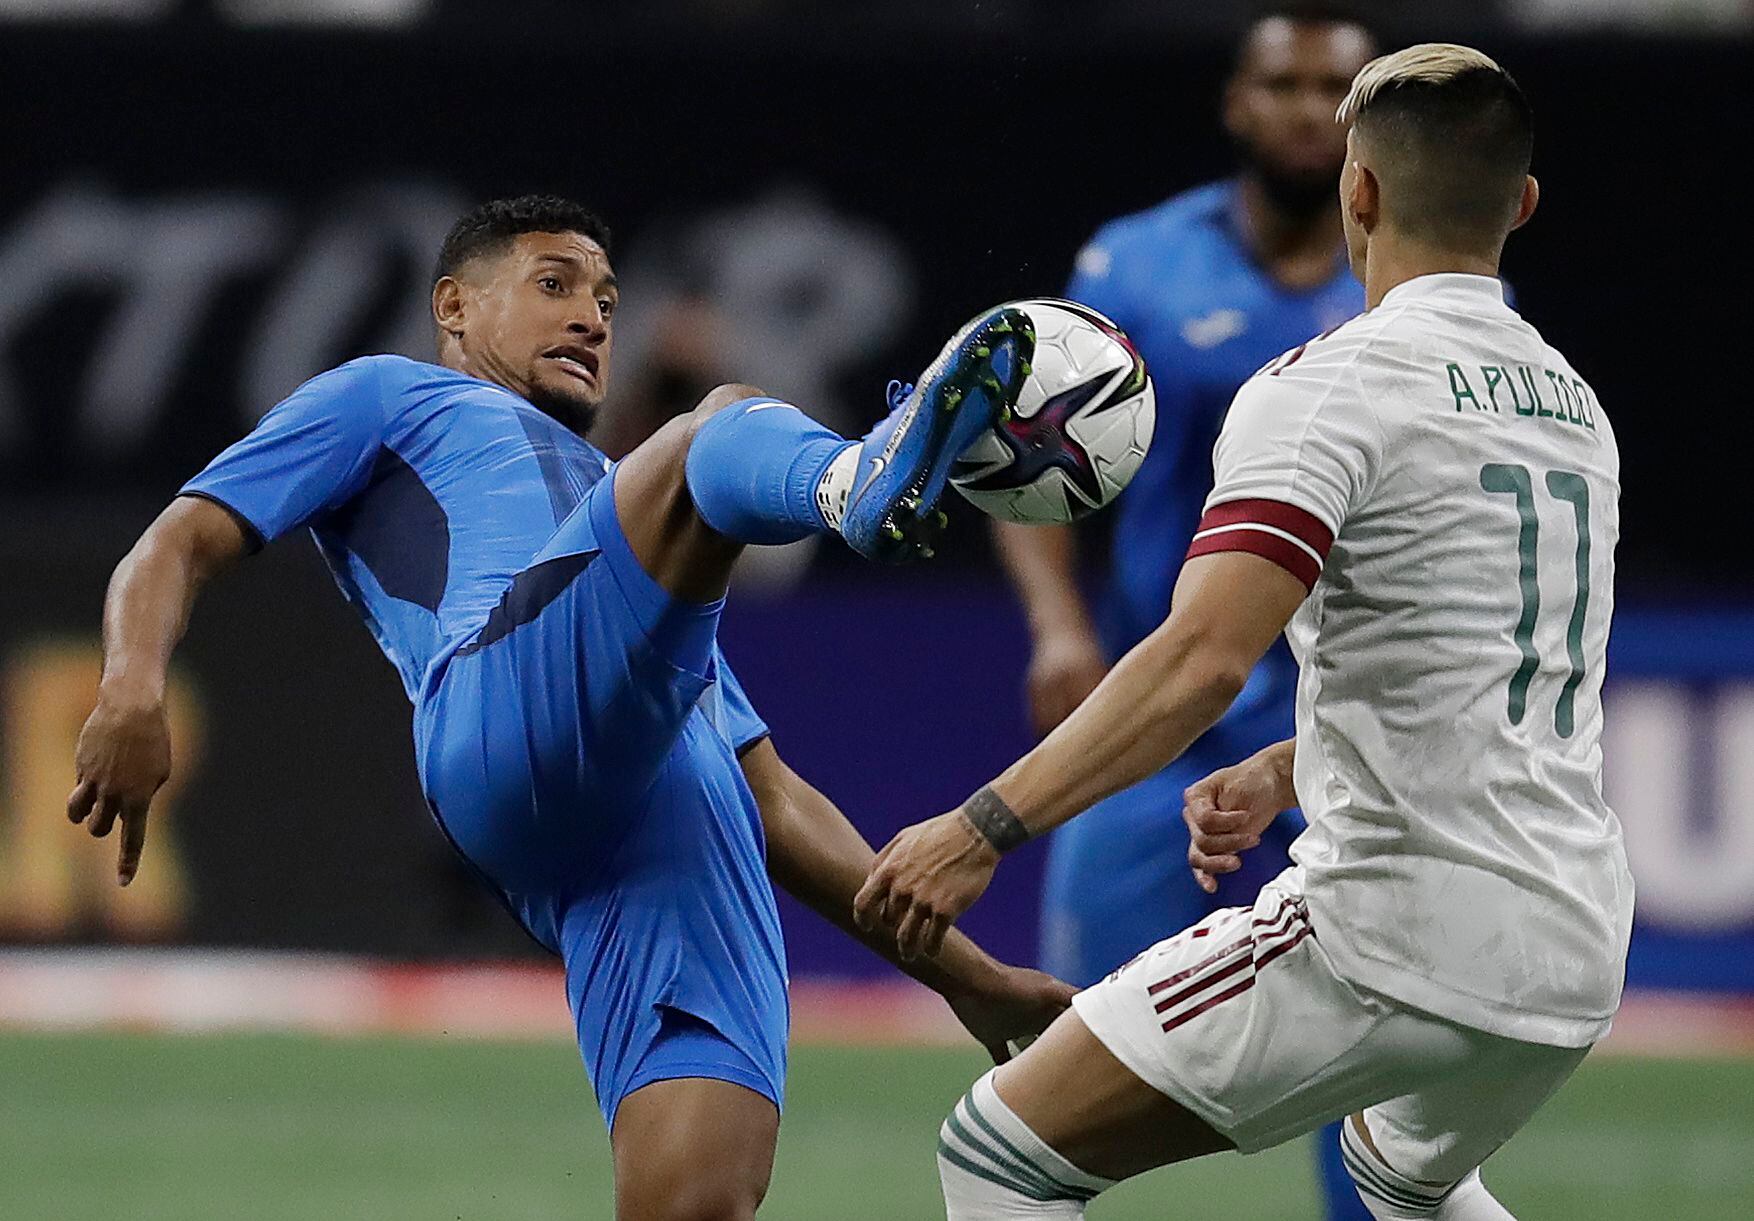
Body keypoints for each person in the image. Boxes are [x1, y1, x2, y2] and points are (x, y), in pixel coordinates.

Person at [66, 195, 1074, 1221]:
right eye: (554, 286)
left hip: (655, 825)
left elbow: (772, 802)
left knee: (700, 1202)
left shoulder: (642, 568)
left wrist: (966, 975)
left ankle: (862, 481)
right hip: (502, 708)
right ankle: (858, 480)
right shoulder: (388, 397)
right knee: (719, 426)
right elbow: (176, 541)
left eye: (605, 297)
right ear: (453, 307)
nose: (593, 317)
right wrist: (131, 685)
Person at [857, 46, 1631, 1220]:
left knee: (998, 1147)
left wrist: (978, 830)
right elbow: (1493, 663)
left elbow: (1200, 659)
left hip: (1395, 930)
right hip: (1573, 938)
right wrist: (1285, 768)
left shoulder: (1327, 385)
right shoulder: (1572, 405)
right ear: (1519, 204)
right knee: (1397, 1178)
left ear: (1355, 191)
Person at [993, 7, 1374, 1212]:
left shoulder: (1421, 281)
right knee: (1047, 1079)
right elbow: (1013, 465)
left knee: (1380, 1111)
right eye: (1284, 82)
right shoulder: (1134, 264)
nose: (1309, 107)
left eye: (1336, 86)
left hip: (1340, 744)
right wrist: (1058, 626)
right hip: (1155, 725)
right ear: (1235, 105)